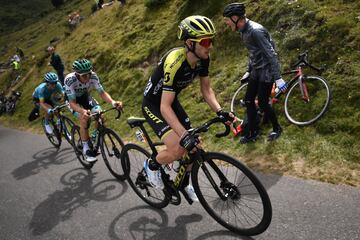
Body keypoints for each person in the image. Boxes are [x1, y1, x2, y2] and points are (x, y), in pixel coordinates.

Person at [142, 15, 235, 201]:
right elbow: (164, 106)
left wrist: (220, 111)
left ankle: (184, 183)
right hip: (155, 104)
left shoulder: (203, 58)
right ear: (189, 43)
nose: (210, 46)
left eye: (211, 40)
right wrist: (183, 135)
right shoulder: (174, 62)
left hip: (171, 101)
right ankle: (151, 166)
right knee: (178, 148)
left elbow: (206, 90)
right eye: (206, 41)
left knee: (195, 147)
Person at [223, 3, 286, 144]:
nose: (226, 23)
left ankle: (277, 128)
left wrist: (278, 78)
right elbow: (253, 53)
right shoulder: (243, 30)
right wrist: (248, 70)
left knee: (263, 102)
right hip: (256, 70)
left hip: (267, 71)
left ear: (235, 17)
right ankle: (253, 132)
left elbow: (271, 55)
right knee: (248, 101)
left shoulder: (255, 31)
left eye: (227, 20)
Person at [64, 59, 123, 162]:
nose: (87, 77)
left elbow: (102, 93)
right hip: (72, 101)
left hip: (84, 96)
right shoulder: (70, 80)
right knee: (84, 119)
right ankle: (86, 149)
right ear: (77, 75)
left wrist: (113, 102)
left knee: (100, 114)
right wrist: (82, 111)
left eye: (88, 74)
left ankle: (95, 138)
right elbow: (72, 103)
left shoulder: (93, 76)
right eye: (84, 75)